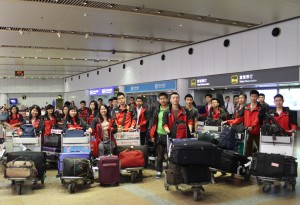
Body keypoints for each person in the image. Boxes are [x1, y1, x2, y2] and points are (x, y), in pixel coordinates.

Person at [223, 90, 262, 156]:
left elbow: (258, 118)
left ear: (257, 97)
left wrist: (252, 126)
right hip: (247, 131)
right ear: (250, 97)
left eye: (255, 96)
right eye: (252, 96)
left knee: (259, 148)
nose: (253, 98)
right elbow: (240, 118)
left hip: (256, 131)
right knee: (248, 148)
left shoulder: (260, 107)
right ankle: (248, 162)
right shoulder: (246, 107)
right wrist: (228, 121)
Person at [149, 92, 169, 179]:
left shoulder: (171, 109)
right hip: (159, 135)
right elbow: (153, 123)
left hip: (169, 135)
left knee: (170, 155)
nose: (163, 100)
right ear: (159, 100)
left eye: (164, 98)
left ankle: (170, 171)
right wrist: (152, 135)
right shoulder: (157, 109)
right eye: (161, 99)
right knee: (160, 155)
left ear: (167, 99)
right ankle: (159, 171)